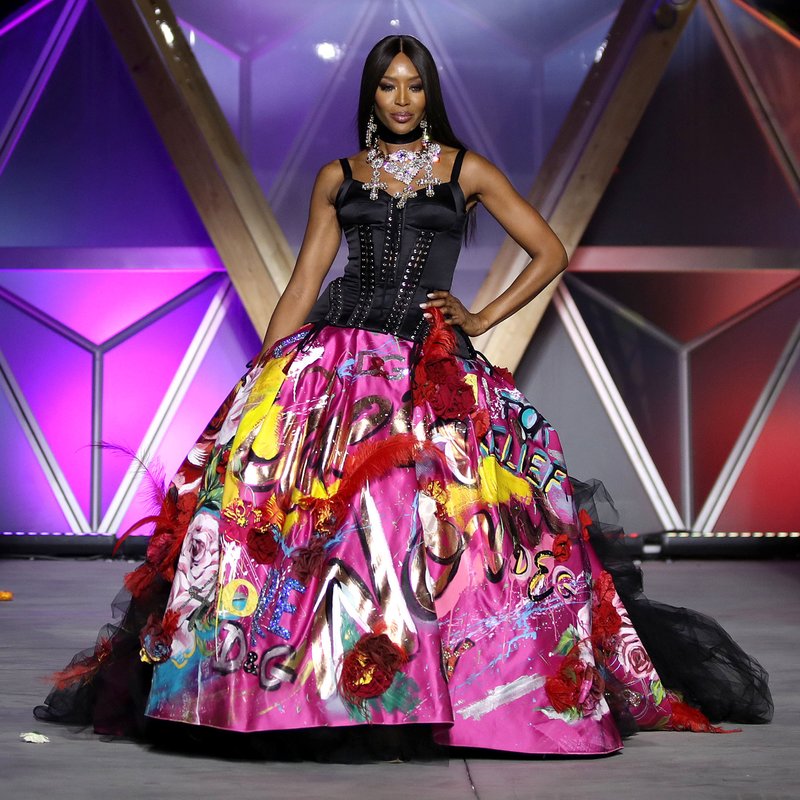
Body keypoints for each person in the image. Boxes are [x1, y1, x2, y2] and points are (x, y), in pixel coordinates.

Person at [35, 35, 772, 759]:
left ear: (429, 94)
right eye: (388, 86)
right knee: (310, 521)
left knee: (455, 528)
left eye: (413, 86)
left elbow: (548, 248)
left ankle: (462, 694)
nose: (400, 99)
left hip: (428, 368)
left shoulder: (465, 170)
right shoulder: (340, 176)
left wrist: (480, 317)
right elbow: (301, 284)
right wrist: (260, 380)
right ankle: (307, 692)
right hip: (334, 360)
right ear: (371, 93)